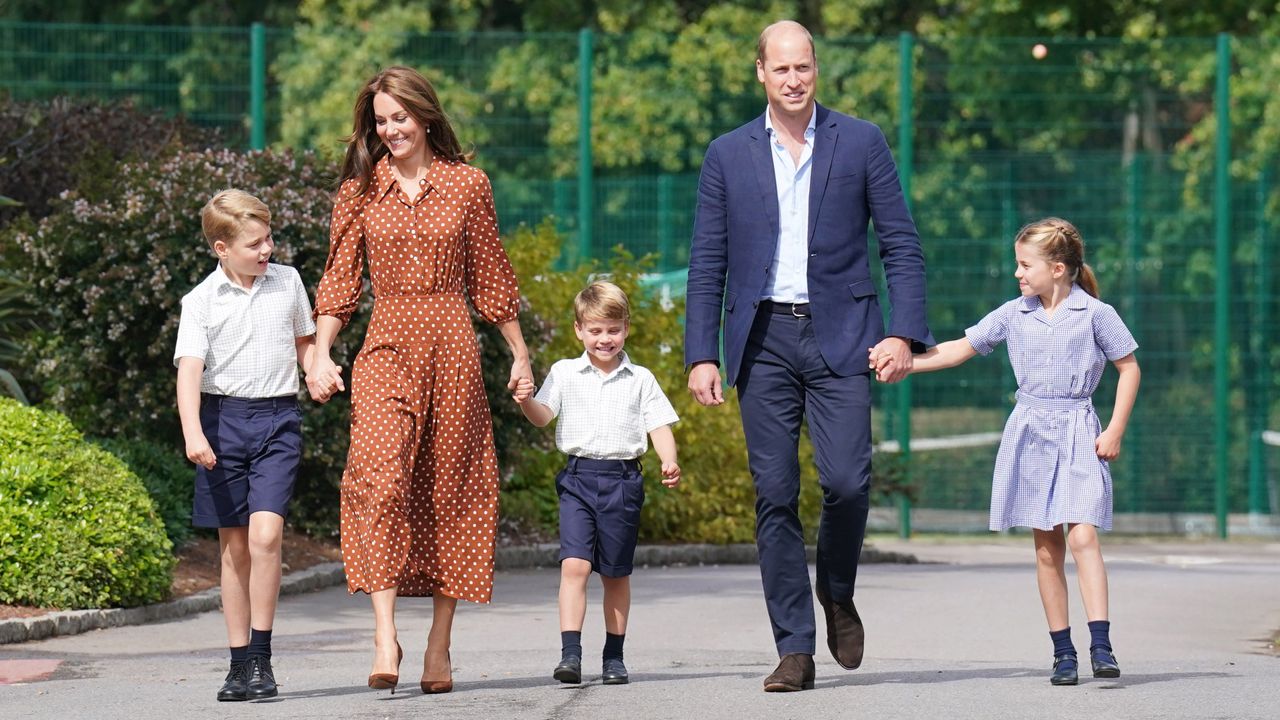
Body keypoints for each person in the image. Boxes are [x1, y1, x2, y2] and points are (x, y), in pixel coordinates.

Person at [684, 20, 932, 692]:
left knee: (849, 482)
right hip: (761, 340)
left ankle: (838, 591)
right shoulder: (727, 154)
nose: (794, 80)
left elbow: (901, 245)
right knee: (775, 496)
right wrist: (700, 354)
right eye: (781, 69)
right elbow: (707, 260)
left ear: (816, 69)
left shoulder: (861, 141)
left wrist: (903, 334)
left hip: (845, 335)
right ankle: (794, 647)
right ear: (759, 72)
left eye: (805, 68)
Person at [307, 66, 532, 695]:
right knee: (377, 476)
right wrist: (322, 354)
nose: (390, 130)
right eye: (380, 121)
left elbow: (490, 275)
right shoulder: (359, 191)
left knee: (447, 489)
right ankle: (385, 635)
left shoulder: (468, 185)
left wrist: (518, 354)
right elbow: (340, 281)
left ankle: (439, 645)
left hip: (453, 347)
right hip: (386, 346)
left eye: (399, 117)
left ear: (425, 116)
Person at [877, 217, 1140, 686]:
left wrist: (1115, 428)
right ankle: (1063, 653)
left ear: (1057, 269)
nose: (1018, 274)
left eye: (1025, 264)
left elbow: (1129, 368)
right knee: (1046, 548)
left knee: (1083, 538)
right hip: (1031, 434)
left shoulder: (1097, 314)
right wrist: (905, 363)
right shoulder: (1013, 313)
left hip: (1080, 431)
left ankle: (1101, 643)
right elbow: (959, 349)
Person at [175, 189, 340, 701]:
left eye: (269, 238)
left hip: (277, 421)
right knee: (234, 548)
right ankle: (237, 663)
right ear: (221, 248)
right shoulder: (201, 301)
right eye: (254, 243)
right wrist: (193, 432)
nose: (266, 249)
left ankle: (263, 659)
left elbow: (304, 342)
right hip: (222, 423)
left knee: (266, 537)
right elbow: (189, 373)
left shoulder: (287, 281)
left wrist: (319, 368)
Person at [513, 281, 681, 686]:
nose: (604, 339)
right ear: (578, 330)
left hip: (623, 481)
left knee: (615, 574)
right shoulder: (564, 372)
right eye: (595, 330)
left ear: (626, 328)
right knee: (574, 565)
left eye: (613, 329)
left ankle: (614, 657)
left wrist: (669, 459)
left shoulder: (640, 378)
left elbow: (658, 423)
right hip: (578, 479)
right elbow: (542, 415)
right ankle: (570, 653)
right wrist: (524, 400)